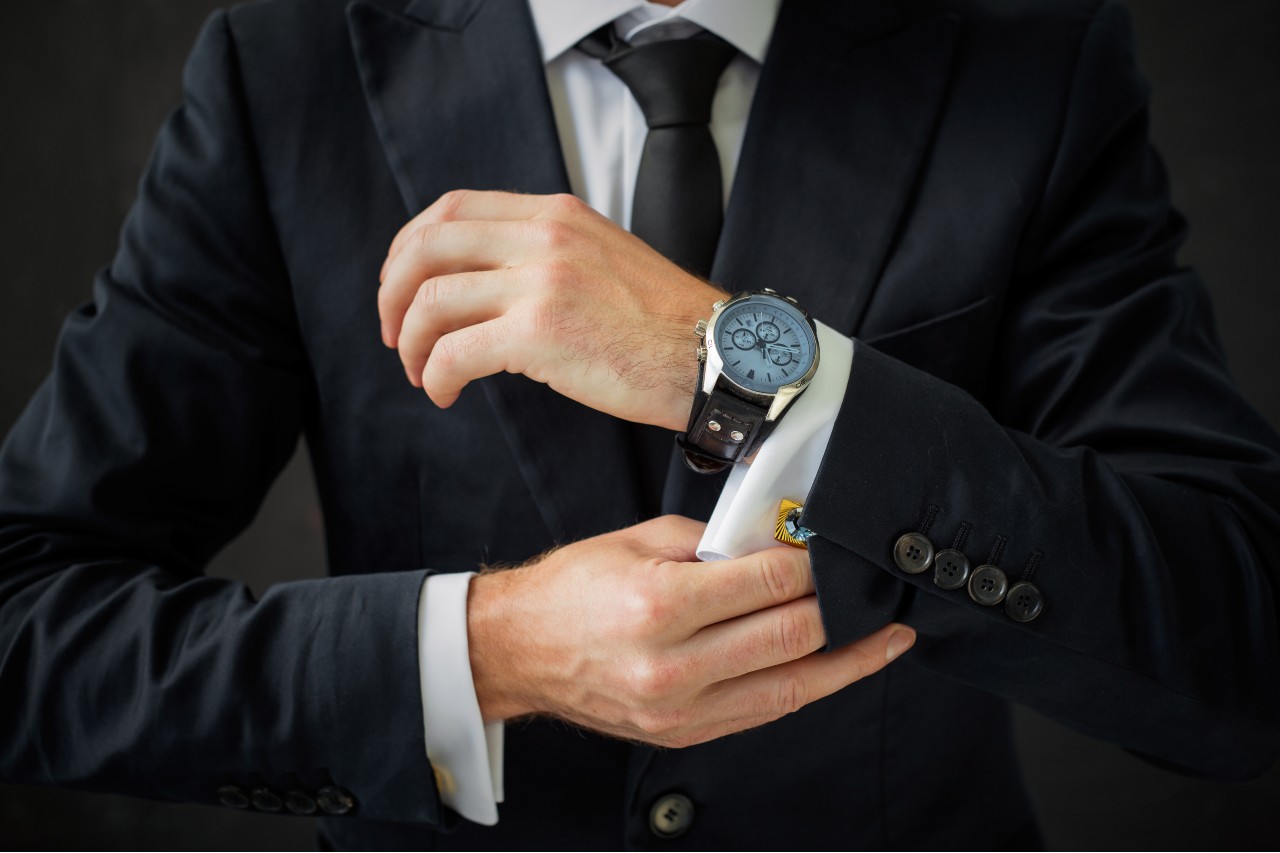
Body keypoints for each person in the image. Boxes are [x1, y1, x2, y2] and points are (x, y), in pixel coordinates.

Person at [2, 0, 1279, 849]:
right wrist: (487, 652)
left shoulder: (1027, 52)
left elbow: (1237, 645)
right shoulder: (284, 63)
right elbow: (27, 620)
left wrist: (727, 364)